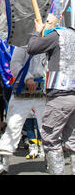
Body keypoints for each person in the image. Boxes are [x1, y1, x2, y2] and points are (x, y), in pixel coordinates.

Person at [27, 12, 75, 175]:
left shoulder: (56, 35)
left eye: (48, 22)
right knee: (73, 141)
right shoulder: (73, 34)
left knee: (50, 139)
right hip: (72, 96)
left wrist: (36, 31)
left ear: (58, 23)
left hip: (60, 96)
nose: (45, 24)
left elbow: (32, 47)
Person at [0, 45, 47, 175]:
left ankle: (52, 162)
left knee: (48, 126)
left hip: (43, 91)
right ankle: (3, 164)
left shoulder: (48, 42)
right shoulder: (22, 44)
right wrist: (28, 78)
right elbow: (15, 64)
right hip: (23, 91)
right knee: (13, 125)